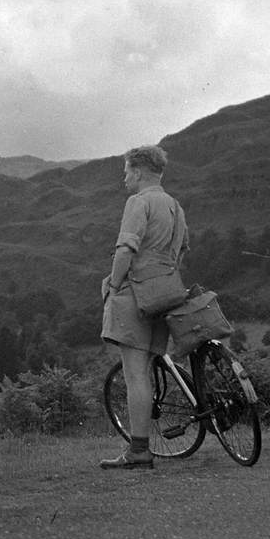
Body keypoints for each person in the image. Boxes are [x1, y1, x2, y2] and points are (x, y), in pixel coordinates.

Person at [99, 144, 189, 470]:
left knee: (135, 374)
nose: (124, 178)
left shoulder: (138, 202)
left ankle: (138, 451)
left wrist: (113, 283)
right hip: (166, 293)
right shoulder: (175, 207)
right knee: (147, 371)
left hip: (136, 295)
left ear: (137, 171)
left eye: (126, 171)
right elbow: (182, 251)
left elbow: (125, 249)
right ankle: (141, 447)